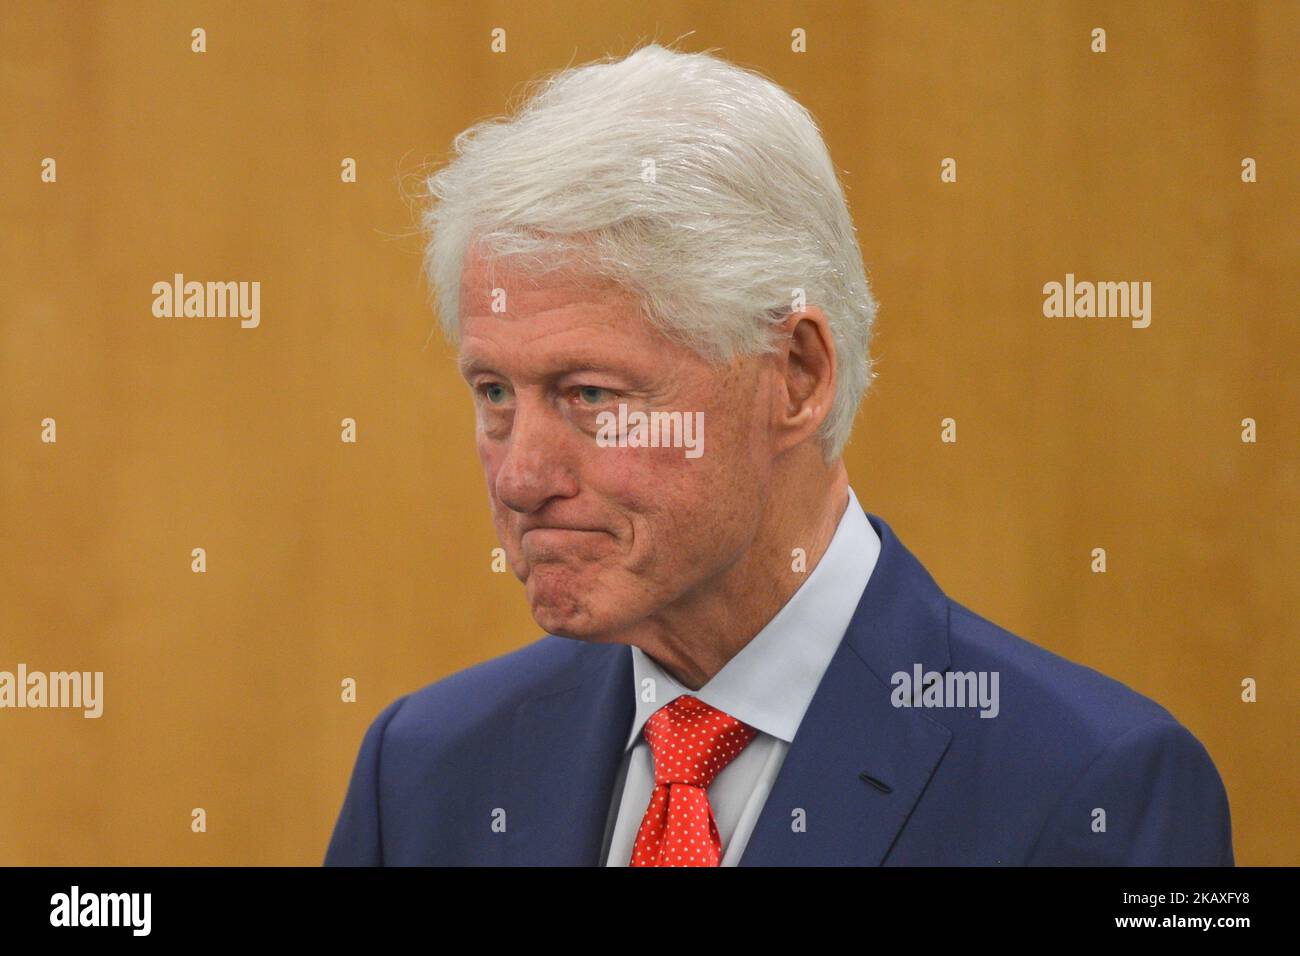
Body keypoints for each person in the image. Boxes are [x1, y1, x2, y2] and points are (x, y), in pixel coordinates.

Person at [324, 44, 1232, 866]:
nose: (521, 477)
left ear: (796, 378)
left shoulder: (1096, 788)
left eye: (592, 396)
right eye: (494, 395)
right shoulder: (421, 771)